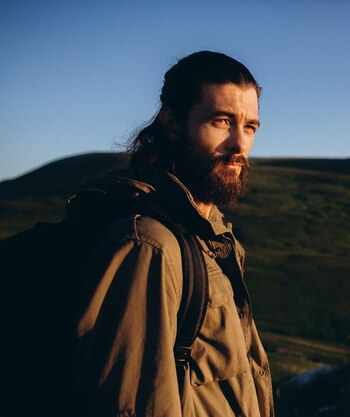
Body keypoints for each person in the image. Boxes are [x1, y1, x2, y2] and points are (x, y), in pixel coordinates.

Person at [70, 51, 273, 417]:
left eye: (250, 127)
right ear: (172, 124)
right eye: (221, 121)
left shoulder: (210, 234)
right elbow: (133, 405)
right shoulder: (149, 246)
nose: (240, 144)